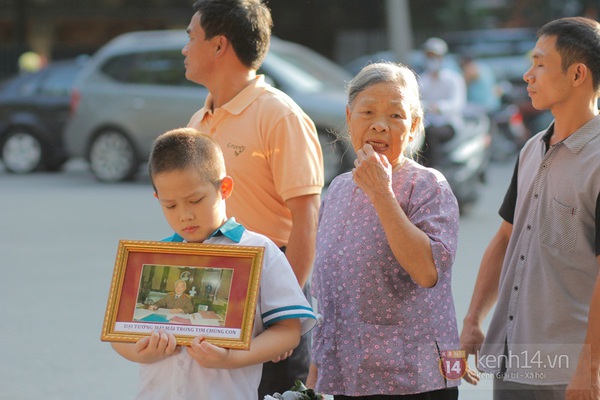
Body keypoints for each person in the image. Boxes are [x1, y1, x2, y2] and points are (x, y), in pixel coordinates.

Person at [111, 128, 316, 400]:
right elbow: (118, 333)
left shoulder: (259, 250)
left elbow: (289, 331)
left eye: (195, 200)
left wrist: (231, 357)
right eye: (170, 205)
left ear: (225, 188)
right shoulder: (154, 256)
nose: (184, 215)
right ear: (157, 199)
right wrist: (141, 352)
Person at [182, 1, 323, 396]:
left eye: (191, 37)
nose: (184, 48)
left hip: (271, 286)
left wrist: (284, 316)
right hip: (212, 287)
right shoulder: (198, 121)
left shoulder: (279, 115)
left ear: (219, 45)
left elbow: (306, 219)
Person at [459, 17, 600, 400]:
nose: (527, 75)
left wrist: (590, 370)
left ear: (577, 74)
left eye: (540, 63)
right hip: (513, 360)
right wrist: (473, 319)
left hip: (569, 372)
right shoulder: (531, 148)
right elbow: (505, 238)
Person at [307, 62, 461, 399]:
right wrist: (314, 375)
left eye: (395, 116)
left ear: (414, 125)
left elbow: (426, 271)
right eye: (367, 112)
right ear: (349, 117)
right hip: (348, 377)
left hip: (414, 380)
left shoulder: (428, 186)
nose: (380, 125)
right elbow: (328, 294)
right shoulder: (338, 189)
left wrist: (381, 193)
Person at [418, 37, 467, 167]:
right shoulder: (422, 80)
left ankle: (435, 173)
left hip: (449, 124)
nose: (432, 59)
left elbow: (458, 104)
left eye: (435, 56)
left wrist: (439, 107)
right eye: (429, 55)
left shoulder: (453, 79)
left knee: (431, 134)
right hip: (426, 124)